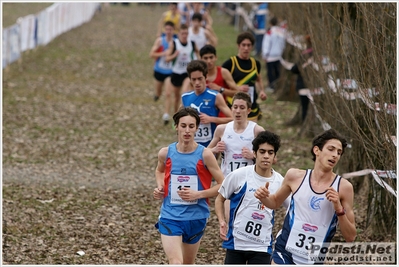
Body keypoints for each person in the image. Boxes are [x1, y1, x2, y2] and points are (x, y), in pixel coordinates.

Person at [254, 128, 357, 265]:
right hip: (284, 251)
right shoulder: (294, 176)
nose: (335, 155)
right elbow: (274, 202)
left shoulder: (344, 188)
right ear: (317, 150)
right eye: (331, 149)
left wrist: (339, 209)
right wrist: (263, 197)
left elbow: (350, 236)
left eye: (339, 152)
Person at [153, 107, 225, 264]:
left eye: (191, 126)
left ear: (197, 128)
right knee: (176, 262)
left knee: (187, 263)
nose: (187, 130)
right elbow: (159, 171)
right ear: (176, 127)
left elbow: (223, 184)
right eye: (183, 125)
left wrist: (198, 194)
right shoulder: (165, 153)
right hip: (170, 215)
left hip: (196, 217)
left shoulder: (205, 154)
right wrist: (160, 187)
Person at [215, 130, 290, 264]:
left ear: (274, 156)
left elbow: (292, 209)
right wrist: (222, 221)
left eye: (270, 152)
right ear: (254, 153)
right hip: (236, 244)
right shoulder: (239, 175)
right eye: (262, 152)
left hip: (262, 246)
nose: (266, 156)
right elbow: (220, 199)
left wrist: (283, 233)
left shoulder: (280, 182)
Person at [181, 60, 233, 148]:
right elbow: (179, 122)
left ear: (206, 77)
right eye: (194, 79)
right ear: (190, 79)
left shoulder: (215, 96)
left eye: (200, 78)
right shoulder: (185, 97)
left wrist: (211, 119)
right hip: (190, 146)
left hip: (210, 145)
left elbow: (232, 119)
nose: (197, 82)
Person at [222, 31, 267, 122]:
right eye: (243, 45)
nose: (246, 48)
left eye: (249, 45)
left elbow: (258, 80)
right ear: (238, 46)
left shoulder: (256, 63)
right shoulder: (230, 63)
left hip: (251, 107)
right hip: (234, 107)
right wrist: (237, 88)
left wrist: (262, 91)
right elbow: (221, 83)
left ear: (252, 46)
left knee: (252, 135)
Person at [162, 24, 200, 125]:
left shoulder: (192, 44)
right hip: (176, 73)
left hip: (187, 74)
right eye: (182, 33)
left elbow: (199, 54)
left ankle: (186, 116)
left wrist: (199, 63)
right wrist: (175, 54)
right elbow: (167, 58)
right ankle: (177, 117)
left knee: (185, 92)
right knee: (177, 98)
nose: (184, 35)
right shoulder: (174, 44)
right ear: (179, 34)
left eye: (186, 33)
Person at [149, 21, 175, 102]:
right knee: (158, 92)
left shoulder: (176, 42)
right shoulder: (160, 41)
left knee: (168, 93)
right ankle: (157, 95)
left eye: (170, 29)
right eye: (167, 29)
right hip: (159, 69)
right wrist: (163, 53)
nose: (168, 31)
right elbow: (151, 54)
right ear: (164, 30)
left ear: (173, 30)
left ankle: (166, 113)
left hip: (170, 71)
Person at [261, 17, 286, 93]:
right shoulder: (281, 31)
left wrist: (265, 55)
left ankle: (272, 86)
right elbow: (283, 43)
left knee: (270, 71)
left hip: (270, 55)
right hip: (278, 55)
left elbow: (266, 44)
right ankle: (277, 85)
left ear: (270, 23)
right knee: (277, 70)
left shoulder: (269, 32)